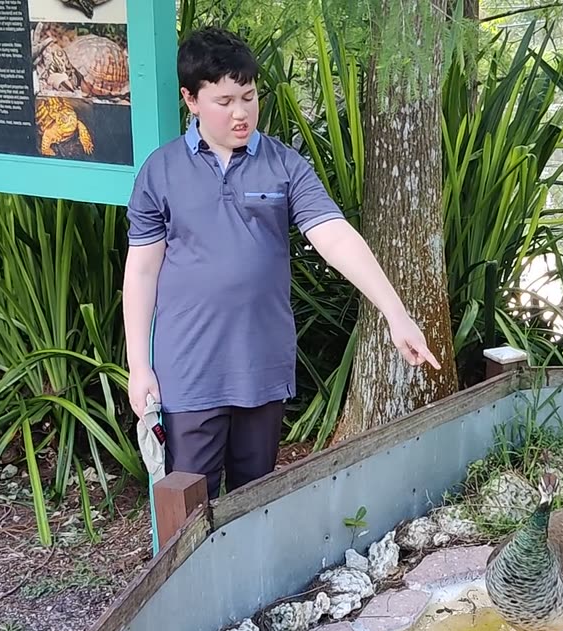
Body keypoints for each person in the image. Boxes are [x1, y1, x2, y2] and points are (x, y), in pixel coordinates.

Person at [122, 26, 441, 500]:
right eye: (224, 100)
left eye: (249, 97)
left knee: (254, 504)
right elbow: (142, 271)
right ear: (191, 99)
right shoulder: (160, 170)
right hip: (187, 369)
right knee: (188, 510)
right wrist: (138, 366)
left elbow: (333, 236)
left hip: (261, 365)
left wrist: (396, 314)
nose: (240, 112)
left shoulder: (285, 164)